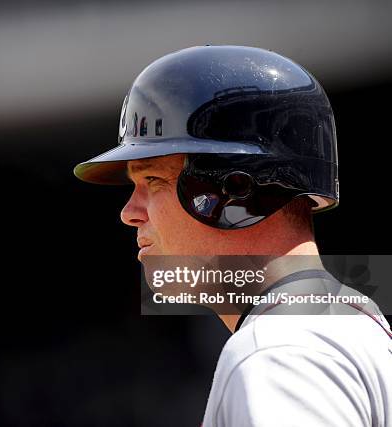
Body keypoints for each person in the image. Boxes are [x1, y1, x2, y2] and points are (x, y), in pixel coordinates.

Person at [74, 46, 392, 426]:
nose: (129, 213)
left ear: (235, 191)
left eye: (153, 180)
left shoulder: (279, 353)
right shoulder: (351, 326)